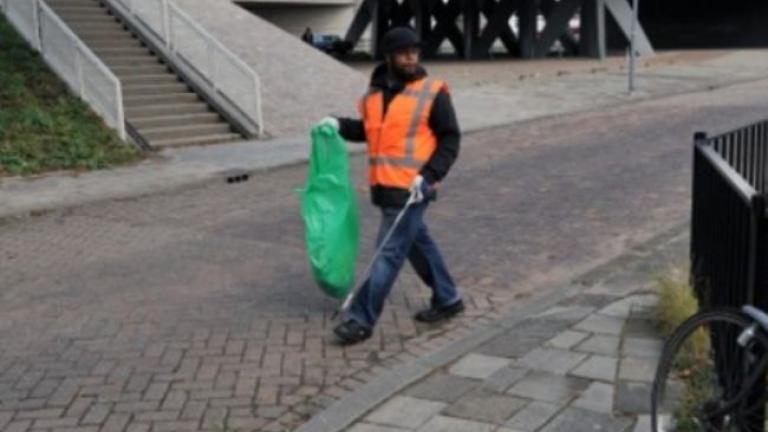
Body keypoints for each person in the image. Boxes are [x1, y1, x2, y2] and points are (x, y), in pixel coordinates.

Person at [319, 27, 463, 345]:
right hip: (384, 188)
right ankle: (448, 297)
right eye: (403, 52)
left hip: (412, 189)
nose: (411, 57)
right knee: (417, 243)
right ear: (388, 56)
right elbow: (370, 132)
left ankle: (361, 318)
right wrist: (338, 124)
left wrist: (428, 175)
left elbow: (450, 139)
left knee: (387, 253)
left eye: (415, 51)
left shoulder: (432, 91)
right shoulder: (373, 96)